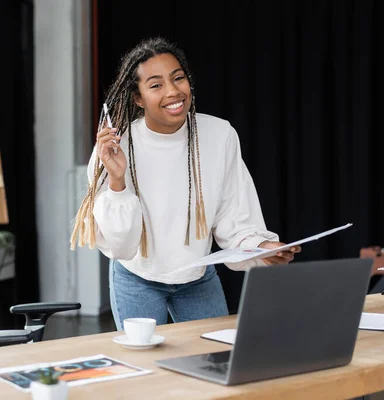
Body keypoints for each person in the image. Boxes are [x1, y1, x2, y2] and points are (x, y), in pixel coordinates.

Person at [70, 37, 301, 330]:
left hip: (198, 278)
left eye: (178, 78)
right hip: (136, 278)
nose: (172, 91)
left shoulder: (219, 135)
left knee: (215, 361)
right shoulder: (117, 147)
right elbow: (121, 246)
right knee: (148, 370)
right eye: (156, 85)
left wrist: (261, 247)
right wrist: (116, 179)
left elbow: (235, 217)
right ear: (138, 98)